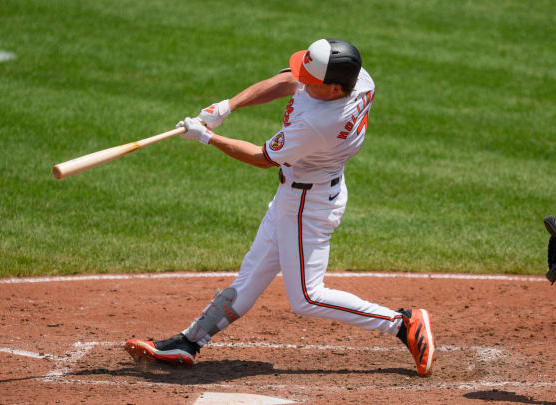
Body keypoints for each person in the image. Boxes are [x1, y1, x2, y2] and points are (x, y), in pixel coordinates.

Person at [125, 38, 436, 377]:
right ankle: (189, 342)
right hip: (300, 194)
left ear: (333, 90)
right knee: (250, 277)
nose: (303, 82)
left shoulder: (319, 124)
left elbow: (261, 158)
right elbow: (289, 78)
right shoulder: (358, 79)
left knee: (307, 297)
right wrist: (227, 107)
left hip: (308, 204)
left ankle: (402, 324)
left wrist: (206, 137)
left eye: (312, 82)